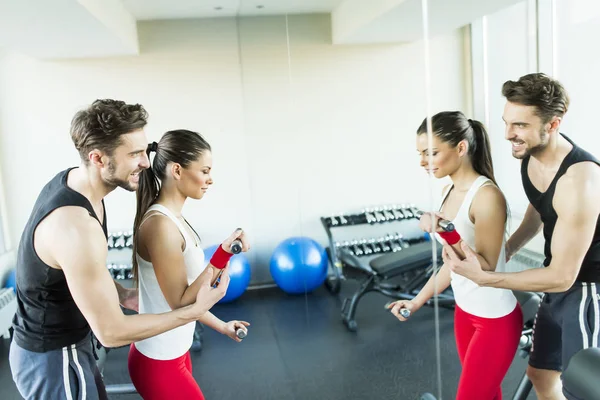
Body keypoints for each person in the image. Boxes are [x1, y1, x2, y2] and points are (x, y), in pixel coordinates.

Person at [9, 100, 231, 400]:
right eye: (135, 154)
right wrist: (194, 310)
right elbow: (111, 332)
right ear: (98, 158)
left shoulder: (78, 185)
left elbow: (78, 269)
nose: (146, 162)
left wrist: (123, 294)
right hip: (54, 356)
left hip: (73, 343)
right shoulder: (75, 225)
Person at [443, 73, 600, 400]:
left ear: (553, 124)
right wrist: (509, 248)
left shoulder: (579, 180)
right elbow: (538, 209)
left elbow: (562, 276)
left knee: (581, 388)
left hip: (587, 290)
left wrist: (487, 277)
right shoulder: (530, 155)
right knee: (541, 375)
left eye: (520, 126)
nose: (508, 134)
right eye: (507, 122)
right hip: (558, 289)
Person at [387, 111, 523, 399]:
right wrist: (415, 302)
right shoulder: (448, 190)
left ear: (461, 148)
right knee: (487, 394)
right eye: (420, 153)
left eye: (431, 152)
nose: (423, 161)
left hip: (495, 320)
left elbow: (482, 269)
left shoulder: (486, 196)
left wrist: (446, 230)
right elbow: (452, 265)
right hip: (465, 312)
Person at [128, 129, 250, 399]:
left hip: (175, 352)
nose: (210, 179)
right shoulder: (161, 225)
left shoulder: (174, 219)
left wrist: (221, 325)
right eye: (204, 170)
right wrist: (222, 255)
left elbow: (186, 300)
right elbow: (181, 304)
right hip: (158, 360)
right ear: (177, 170)